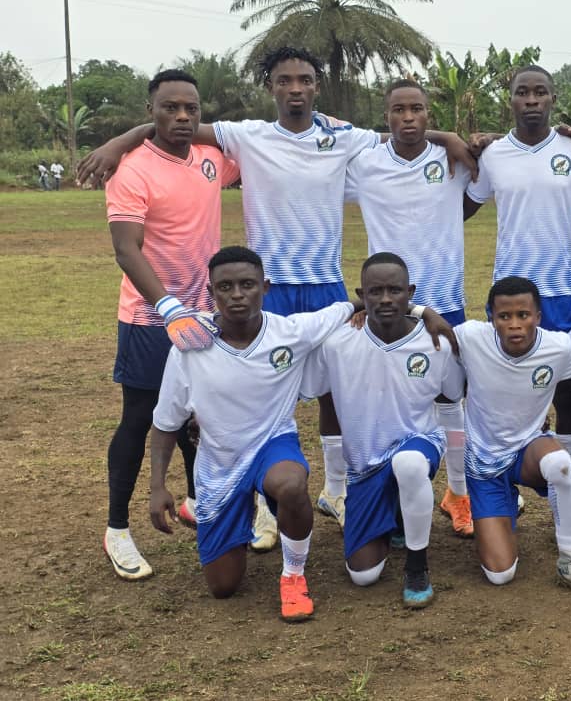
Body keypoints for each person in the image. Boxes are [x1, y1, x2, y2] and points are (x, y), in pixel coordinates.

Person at [78, 47, 476, 551]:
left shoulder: (341, 137)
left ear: (316, 86)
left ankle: (337, 489)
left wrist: (447, 137)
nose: (295, 88)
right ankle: (261, 505)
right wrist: (121, 141)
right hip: (267, 290)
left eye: (304, 79)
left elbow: (400, 134)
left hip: (325, 283)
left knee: (339, 390)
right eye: (284, 80)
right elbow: (175, 128)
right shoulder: (246, 136)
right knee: (253, 394)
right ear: (271, 87)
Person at [148, 246, 455, 620]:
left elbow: (367, 301)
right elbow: (165, 423)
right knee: (223, 587)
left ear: (265, 287)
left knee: (291, 483)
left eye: (247, 284)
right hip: (220, 463)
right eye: (225, 287)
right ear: (211, 292)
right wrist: (157, 486)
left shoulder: (292, 332)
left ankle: (293, 575)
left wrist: (422, 311)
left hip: (272, 446)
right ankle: (238, 512)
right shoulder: (190, 346)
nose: (237, 294)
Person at [102, 69, 239, 582]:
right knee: (140, 419)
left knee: (199, 417)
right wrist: (168, 307)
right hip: (149, 317)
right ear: (151, 111)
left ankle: (202, 508)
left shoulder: (212, 159)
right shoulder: (131, 169)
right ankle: (117, 530)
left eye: (191, 109)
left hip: (204, 317)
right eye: (170, 108)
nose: (182, 117)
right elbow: (126, 249)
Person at [464, 65, 571, 540]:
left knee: (566, 395)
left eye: (540, 92)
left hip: (560, 293)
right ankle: (506, 483)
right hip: (509, 295)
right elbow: (460, 206)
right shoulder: (494, 154)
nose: (530, 100)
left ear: (552, 98)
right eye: (522, 92)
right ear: (510, 99)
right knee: (504, 394)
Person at [344, 80, 474, 538]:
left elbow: (496, 149)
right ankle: (391, 493)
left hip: (447, 299)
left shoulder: (452, 160)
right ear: (386, 117)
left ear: (427, 113)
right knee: (393, 401)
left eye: (416, 109)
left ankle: (458, 492)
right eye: (398, 110)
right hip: (388, 306)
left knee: (451, 400)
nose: (408, 117)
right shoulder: (364, 165)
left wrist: (449, 139)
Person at [301, 253, 465, 607]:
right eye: (376, 292)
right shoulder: (337, 344)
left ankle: (417, 566)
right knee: (363, 575)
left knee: (408, 464)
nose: (386, 299)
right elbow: (306, 388)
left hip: (419, 444)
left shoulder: (435, 342)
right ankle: (397, 516)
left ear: (411, 293)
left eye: (395, 290)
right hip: (365, 467)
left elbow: (452, 397)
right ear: (362, 295)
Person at [452, 276, 571, 597]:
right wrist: (420, 312)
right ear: (490, 318)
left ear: (538, 316)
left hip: (528, 450)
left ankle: (569, 560)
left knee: (559, 463)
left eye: (523, 315)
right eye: (504, 316)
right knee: (500, 574)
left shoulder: (559, 347)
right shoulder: (470, 337)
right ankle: (502, 507)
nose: (514, 324)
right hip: (484, 466)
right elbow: (426, 335)